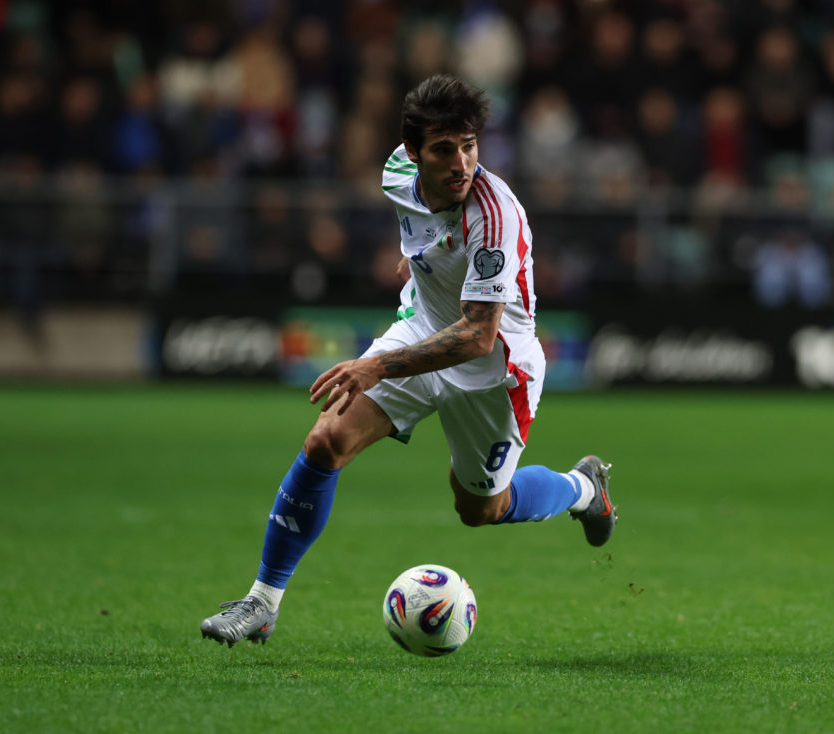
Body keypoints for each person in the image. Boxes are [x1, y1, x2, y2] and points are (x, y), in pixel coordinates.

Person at [200, 75, 618, 648]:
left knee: (480, 509)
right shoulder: (397, 173)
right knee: (325, 441)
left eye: (469, 146)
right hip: (422, 328)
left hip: (494, 369)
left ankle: (583, 488)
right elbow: (423, 233)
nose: (461, 163)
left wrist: (375, 366)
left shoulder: (495, 219)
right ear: (415, 152)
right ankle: (261, 604)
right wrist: (419, 265)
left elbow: (475, 336)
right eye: (444, 149)